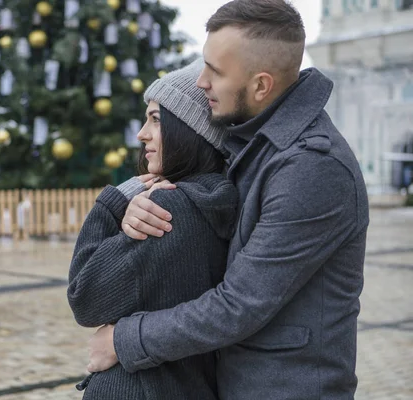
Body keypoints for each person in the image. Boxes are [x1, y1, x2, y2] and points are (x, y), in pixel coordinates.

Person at [86, 1, 370, 399]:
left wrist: (124, 339)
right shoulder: (254, 141)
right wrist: (137, 202)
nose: (201, 81)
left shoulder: (311, 167)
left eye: (215, 72)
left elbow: (241, 304)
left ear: (261, 85)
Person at [68, 59, 237, 399]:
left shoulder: (169, 208)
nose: (142, 133)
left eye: (156, 120)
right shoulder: (216, 203)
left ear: (191, 131)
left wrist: (109, 205)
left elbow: (84, 298)